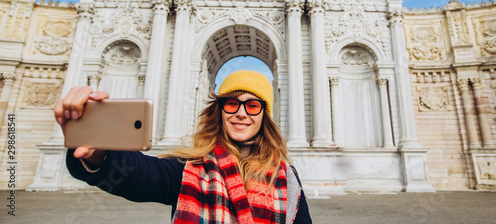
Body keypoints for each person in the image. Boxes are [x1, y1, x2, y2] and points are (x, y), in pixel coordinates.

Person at [55, 70, 312, 223]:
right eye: (231, 103)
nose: (241, 113)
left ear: (264, 116)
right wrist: (100, 150)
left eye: (253, 105)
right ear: (219, 111)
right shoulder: (187, 170)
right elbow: (138, 174)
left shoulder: (286, 176)